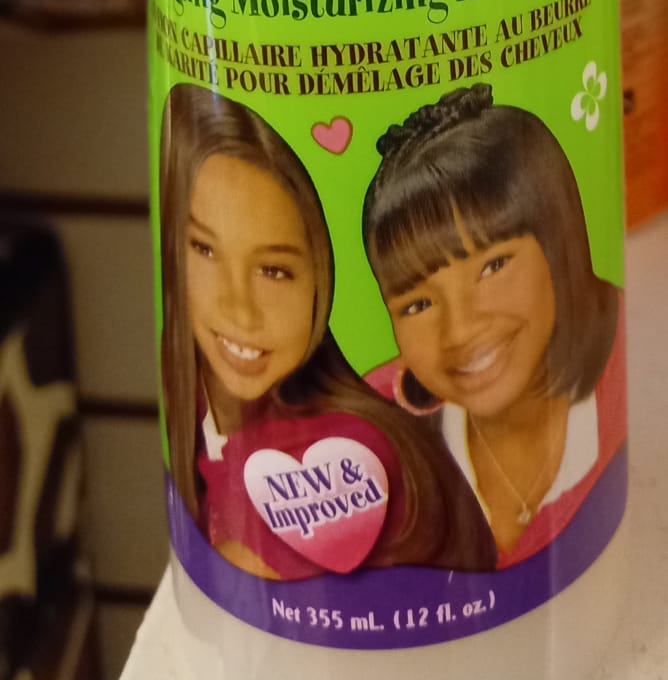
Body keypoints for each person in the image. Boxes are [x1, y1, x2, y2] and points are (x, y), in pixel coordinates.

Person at [160, 81, 496, 581]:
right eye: (204, 249)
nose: (240, 308)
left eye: (274, 270)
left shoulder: (347, 447)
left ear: (320, 279)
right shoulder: (196, 405)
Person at [363, 85, 625, 565]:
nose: (460, 330)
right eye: (418, 304)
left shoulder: (614, 374)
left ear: (559, 244)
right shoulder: (374, 429)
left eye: (493, 267)